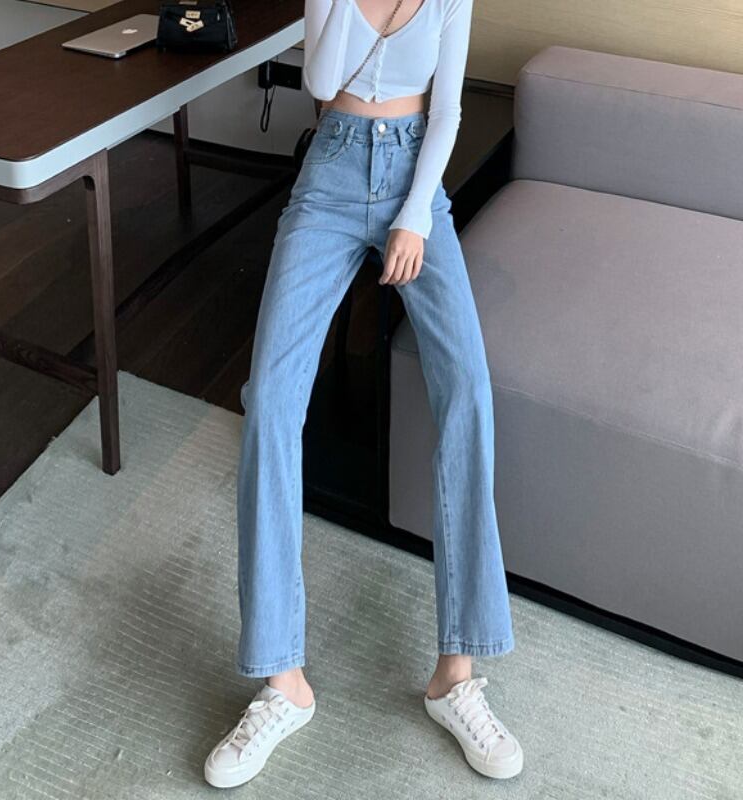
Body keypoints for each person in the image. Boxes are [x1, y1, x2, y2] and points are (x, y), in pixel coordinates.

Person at [204, 0, 523, 787]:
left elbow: (447, 111)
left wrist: (415, 218)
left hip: (417, 175)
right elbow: (320, 81)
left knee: (468, 389)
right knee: (269, 402)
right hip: (333, 171)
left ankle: (455, 677)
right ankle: (282, 680)